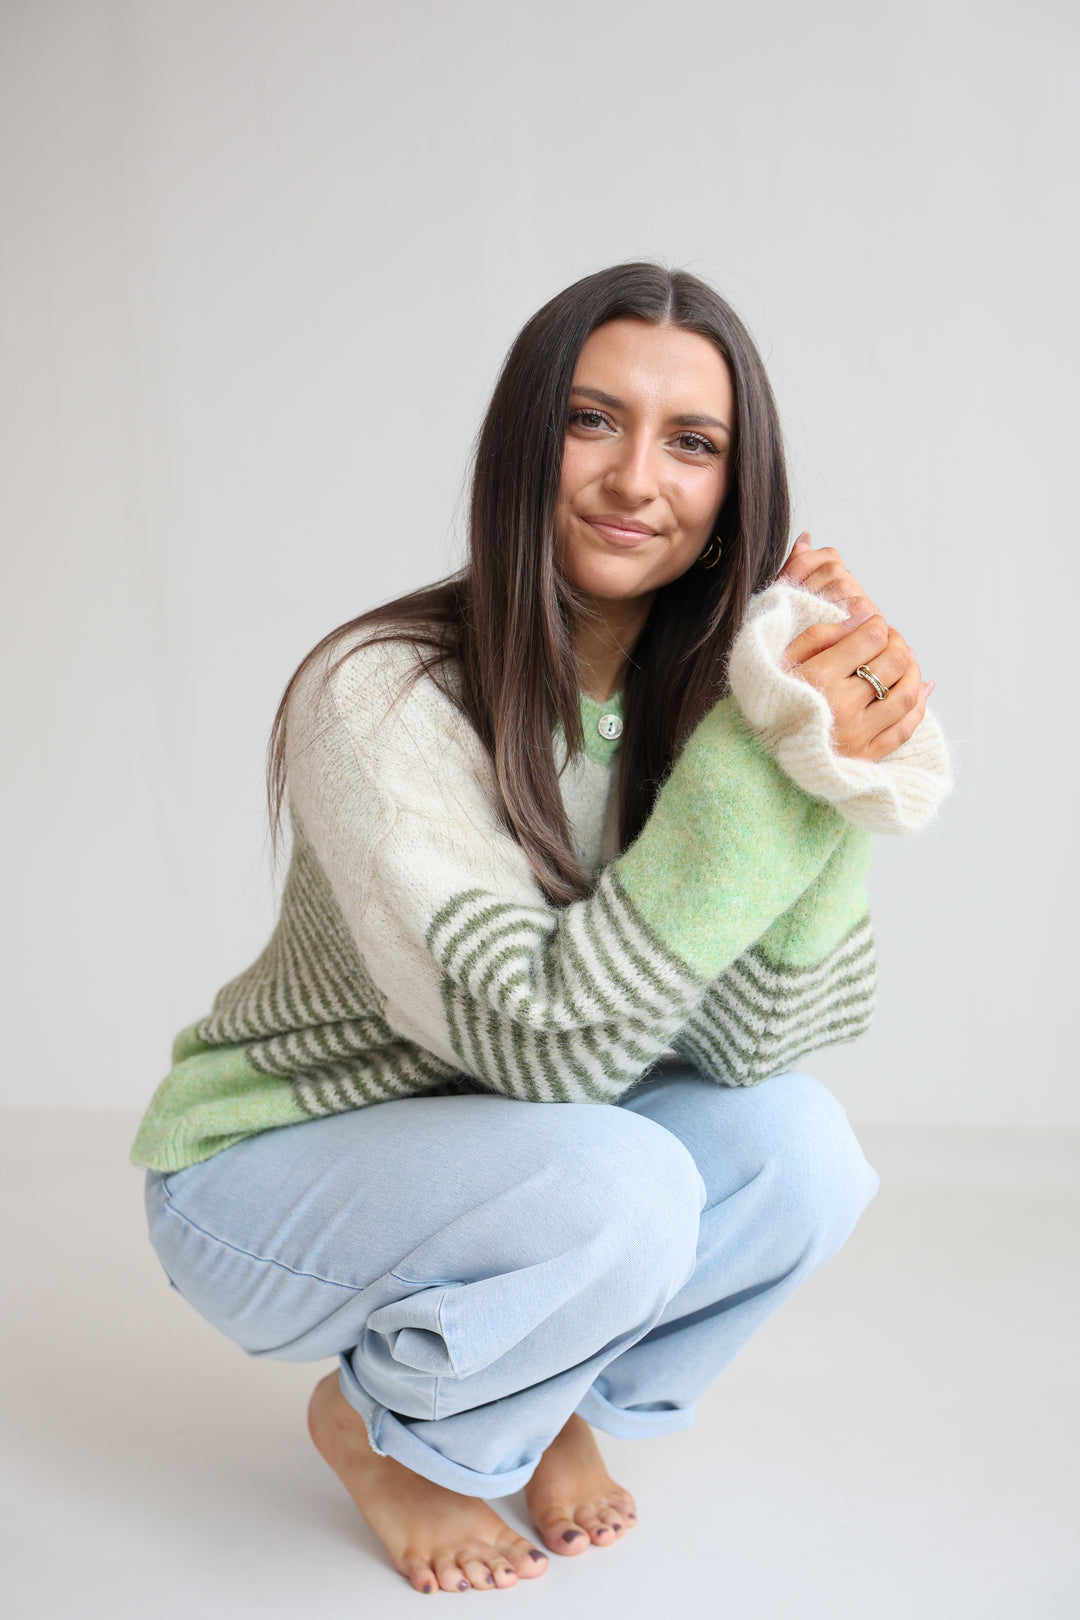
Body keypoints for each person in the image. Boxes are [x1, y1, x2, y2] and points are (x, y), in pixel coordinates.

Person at [131, 262, 950, 1596]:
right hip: (268, 1170)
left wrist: (827, 758)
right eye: (592, 420)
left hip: (526, 1161)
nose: (638, 479)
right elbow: (539, 1047)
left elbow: (760, 1041)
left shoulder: (711, 703)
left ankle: (537, 1389)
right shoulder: (382, 694)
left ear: (735, 492)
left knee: (800, 1154)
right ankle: (392, 1434)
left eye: (693, 443)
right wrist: (760, 759)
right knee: (620, 1187)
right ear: (526, 439)